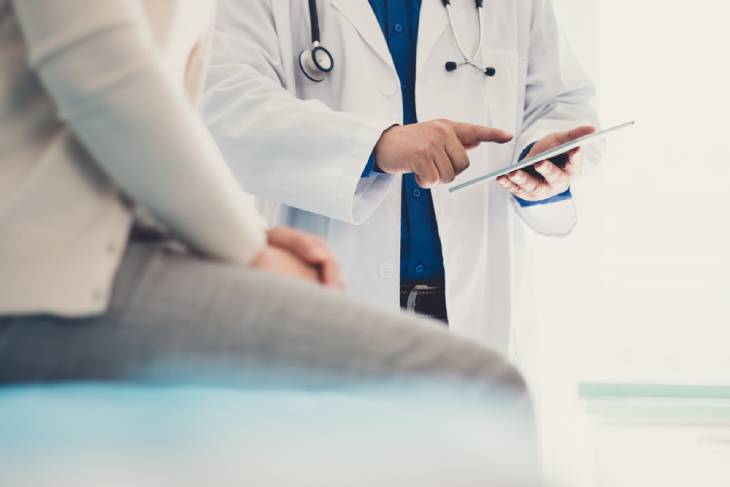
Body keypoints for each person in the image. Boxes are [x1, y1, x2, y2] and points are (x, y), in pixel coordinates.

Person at [0, 0, 533, 406]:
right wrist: (247, 249)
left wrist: (248, 241)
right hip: (55, 275)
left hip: (132, 248)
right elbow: (111, 85)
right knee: (485, 386)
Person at [202, 0, 600, 353]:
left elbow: (562, 103)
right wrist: (375, 146)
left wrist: (542, 163)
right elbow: (223, 102)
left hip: (469, 312)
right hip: (329, 313)